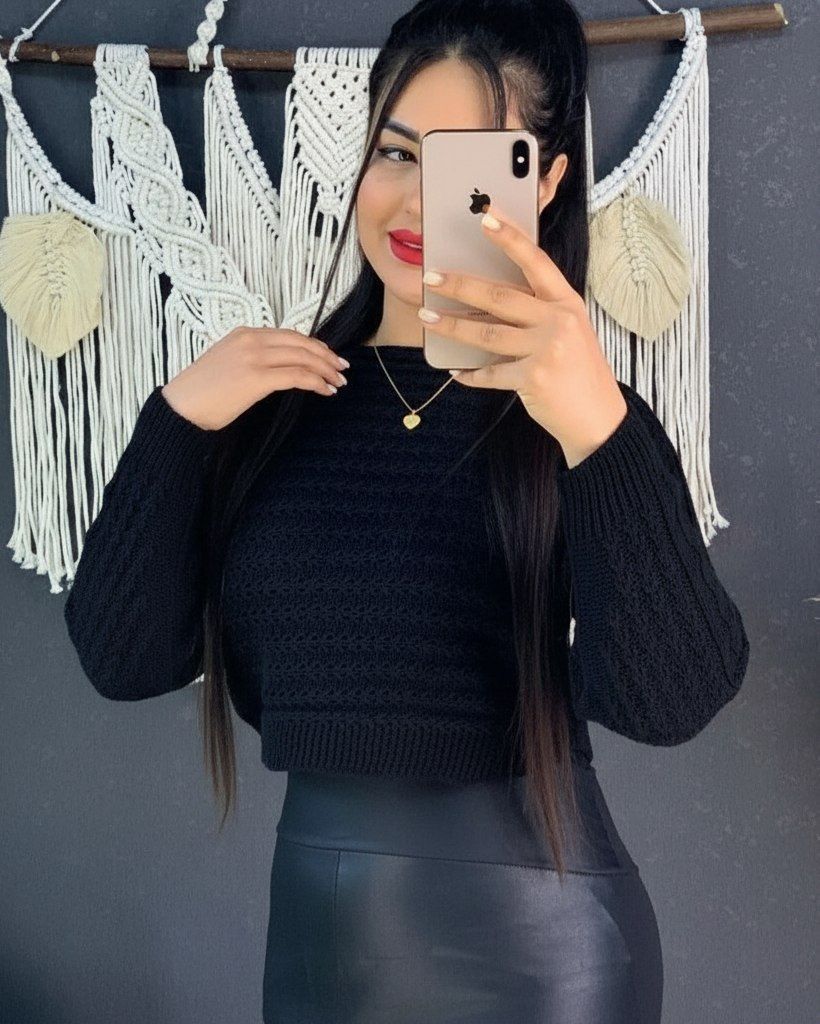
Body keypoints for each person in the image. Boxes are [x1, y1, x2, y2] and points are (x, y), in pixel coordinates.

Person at [63, 1, 750, 1021]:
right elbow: (124, 661)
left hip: (544, 959)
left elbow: (673, 701)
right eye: (396, 152)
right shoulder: (269, 410)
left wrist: (596, 429)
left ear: (545, 182)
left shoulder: (578, 419)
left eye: (467, 164)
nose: (418, 201)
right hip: (320, 949)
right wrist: (175, 422)